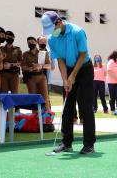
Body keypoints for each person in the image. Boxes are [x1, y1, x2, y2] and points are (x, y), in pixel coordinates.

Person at [41, 11, 96, 154]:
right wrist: (66, 79)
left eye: (52, 29)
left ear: (59, 22)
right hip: (68, 68)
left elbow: (83, 53)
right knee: (67, 106)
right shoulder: (52, 39)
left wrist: (73, 75)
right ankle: (66, 143)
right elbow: (60, 60)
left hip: (84, 68)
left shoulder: (77, 32)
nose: (51, 32)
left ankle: (89, 144)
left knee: (85, 106)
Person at [21, 36, 51, 111]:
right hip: (31, 78)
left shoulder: (43, 53)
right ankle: (35, 117)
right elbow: (23, 67)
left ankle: (47, 117)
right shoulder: (25, 54)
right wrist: (31, 68)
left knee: (45, 98)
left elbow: (49, 65)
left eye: (32, 42)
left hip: (41, 77)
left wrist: (41, 66)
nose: (31, 44)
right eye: (29, 43)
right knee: (33, 98)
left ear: (36, 43)